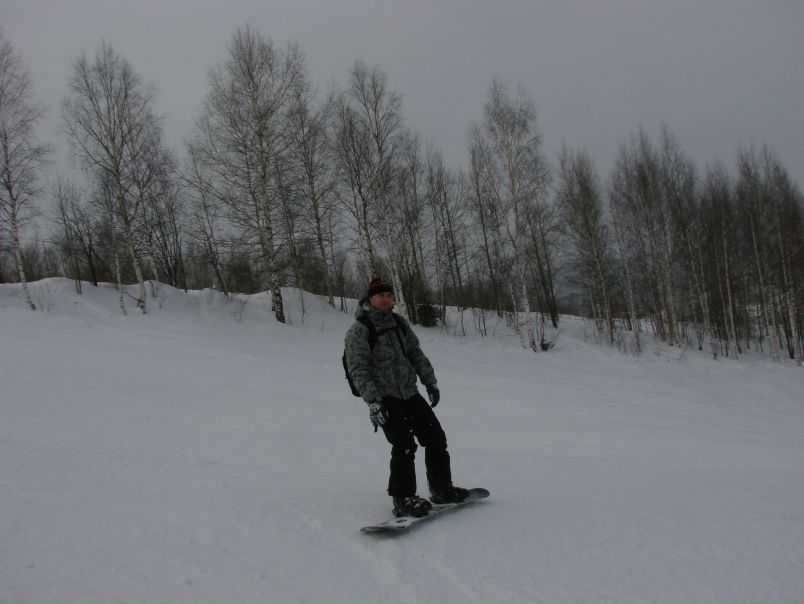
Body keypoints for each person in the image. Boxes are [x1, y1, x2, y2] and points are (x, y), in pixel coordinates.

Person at [344, 277, 468, 518]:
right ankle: (403, 498)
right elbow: (358, 368)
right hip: (385, 396)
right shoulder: (360, 330)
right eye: (380, 295)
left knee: (435, 438)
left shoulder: (399, 323)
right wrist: (373, 401)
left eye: (388, 295)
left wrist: (429, 382)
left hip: (409, 392)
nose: (385, 299)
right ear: (370, 298)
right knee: (404, 445)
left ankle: (441, 488)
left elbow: (415, 353)